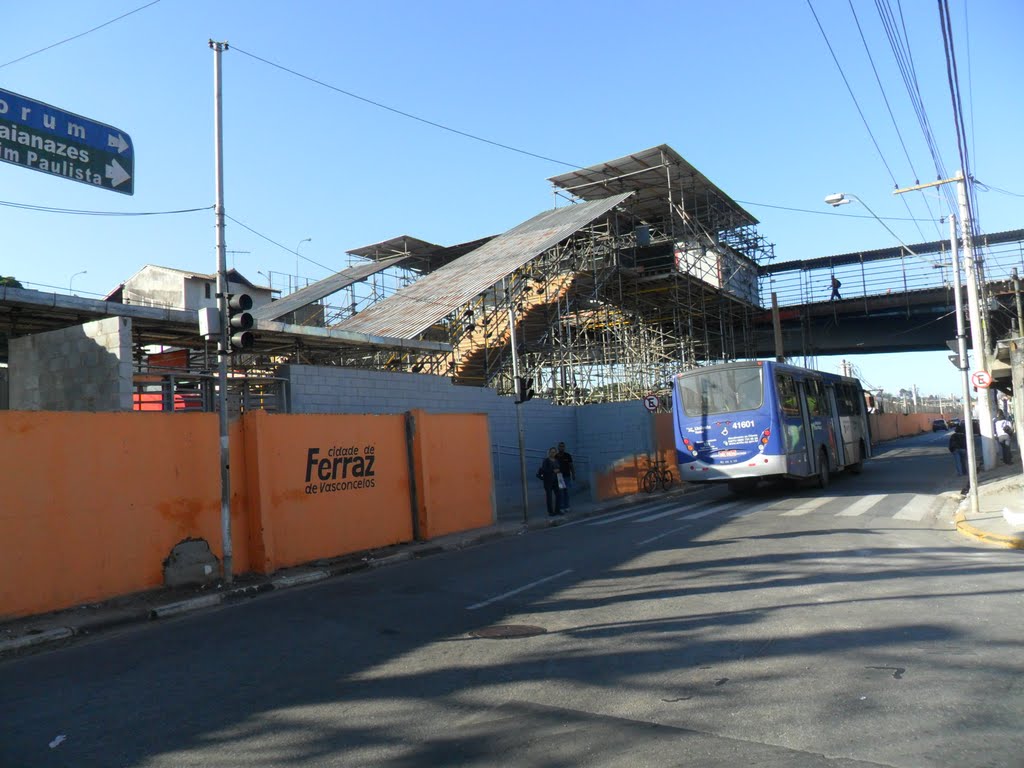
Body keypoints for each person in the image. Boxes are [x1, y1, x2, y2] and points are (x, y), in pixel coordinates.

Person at [537, 447, 563, 517]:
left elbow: (559, 469)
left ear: (556, 453)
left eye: (554, 452)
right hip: (548, 481)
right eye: (551, 452)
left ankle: (557, 510)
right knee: (549, 497)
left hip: (556, 481)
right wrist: (552, 471)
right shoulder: (546, 461)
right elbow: (544, 470)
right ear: (549, 453)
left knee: (559, 496)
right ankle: (550, 512)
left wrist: (559, 473)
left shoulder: (557, 460)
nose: (553, 453)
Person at [555, 442, 575, 513]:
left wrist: (573, 474)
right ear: (558, 447)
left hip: (567, 476)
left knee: (567, 492)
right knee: (561, 493)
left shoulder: (567, 455)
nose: (561, 448)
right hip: (560, 477)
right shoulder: (556, 456)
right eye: (560, 446)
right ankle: (562, 507)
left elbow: (571, 465)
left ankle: (567, 506)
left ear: (564, 447)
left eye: (563, 446)